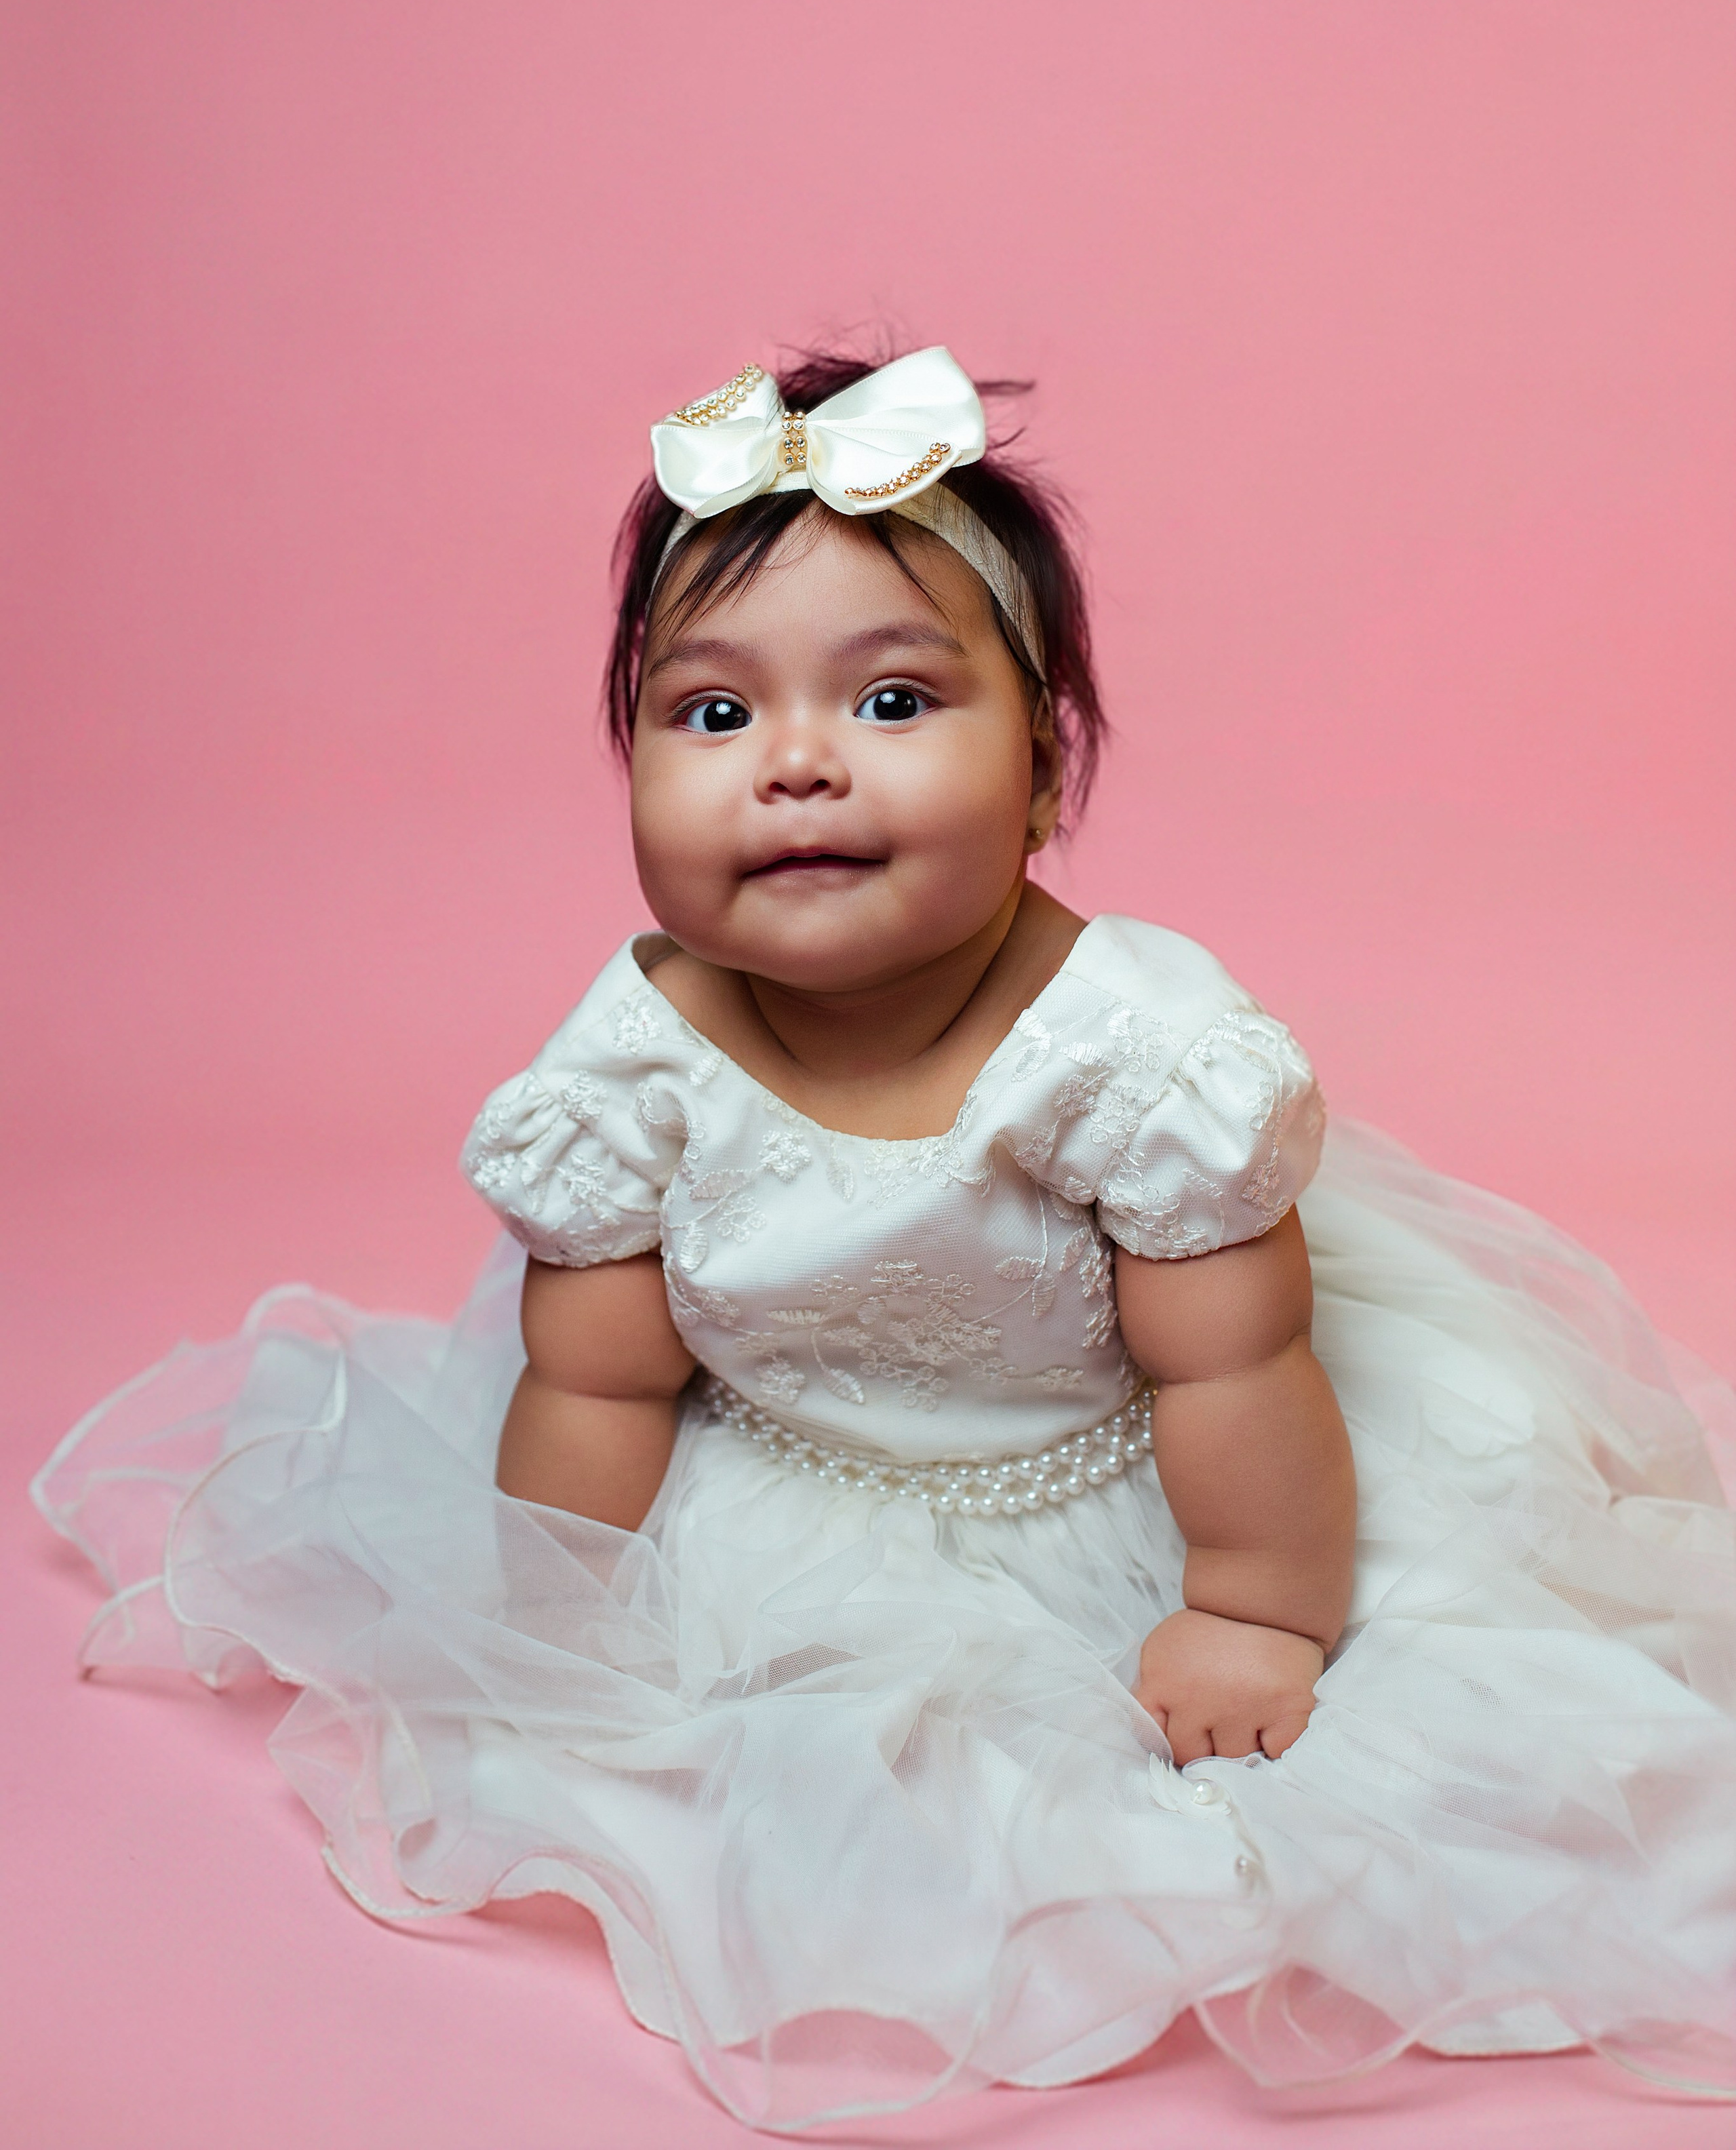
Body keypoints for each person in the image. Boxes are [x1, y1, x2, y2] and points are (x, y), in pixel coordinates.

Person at [35, 345, 1736, 2130]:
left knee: (1325, 1765)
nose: (794, 766)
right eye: (711, 716)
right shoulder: (631, 1074)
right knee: (787, 1795)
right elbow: (597, 1387)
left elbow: (1230, 1358)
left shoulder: (1132, 1057)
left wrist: (1254, 1612)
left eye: (895, 703)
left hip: (1150, 1470)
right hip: (778, 1475)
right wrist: (550, 1625)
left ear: (1046, 775)